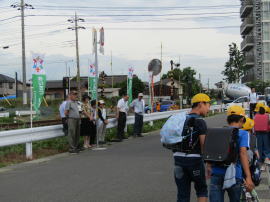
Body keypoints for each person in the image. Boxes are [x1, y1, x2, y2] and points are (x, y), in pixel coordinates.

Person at [208, 105, 254, 202]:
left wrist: (209, 166)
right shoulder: (243, 133)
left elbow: (212, 150)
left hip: (216, 173)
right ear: (242, 119)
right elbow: (243, 153)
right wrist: (248, 177)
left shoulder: (218, 132)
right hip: (235, 174)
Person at [174, 93, 211, 202]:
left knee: (182, 194)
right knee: (201, 190)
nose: (209, 108)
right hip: (194, 160)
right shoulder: (200, 121)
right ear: (201, 104)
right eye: (208, 105)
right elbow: (204, 144)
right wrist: (209, 163)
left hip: (178, 159)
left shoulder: (181, 119)